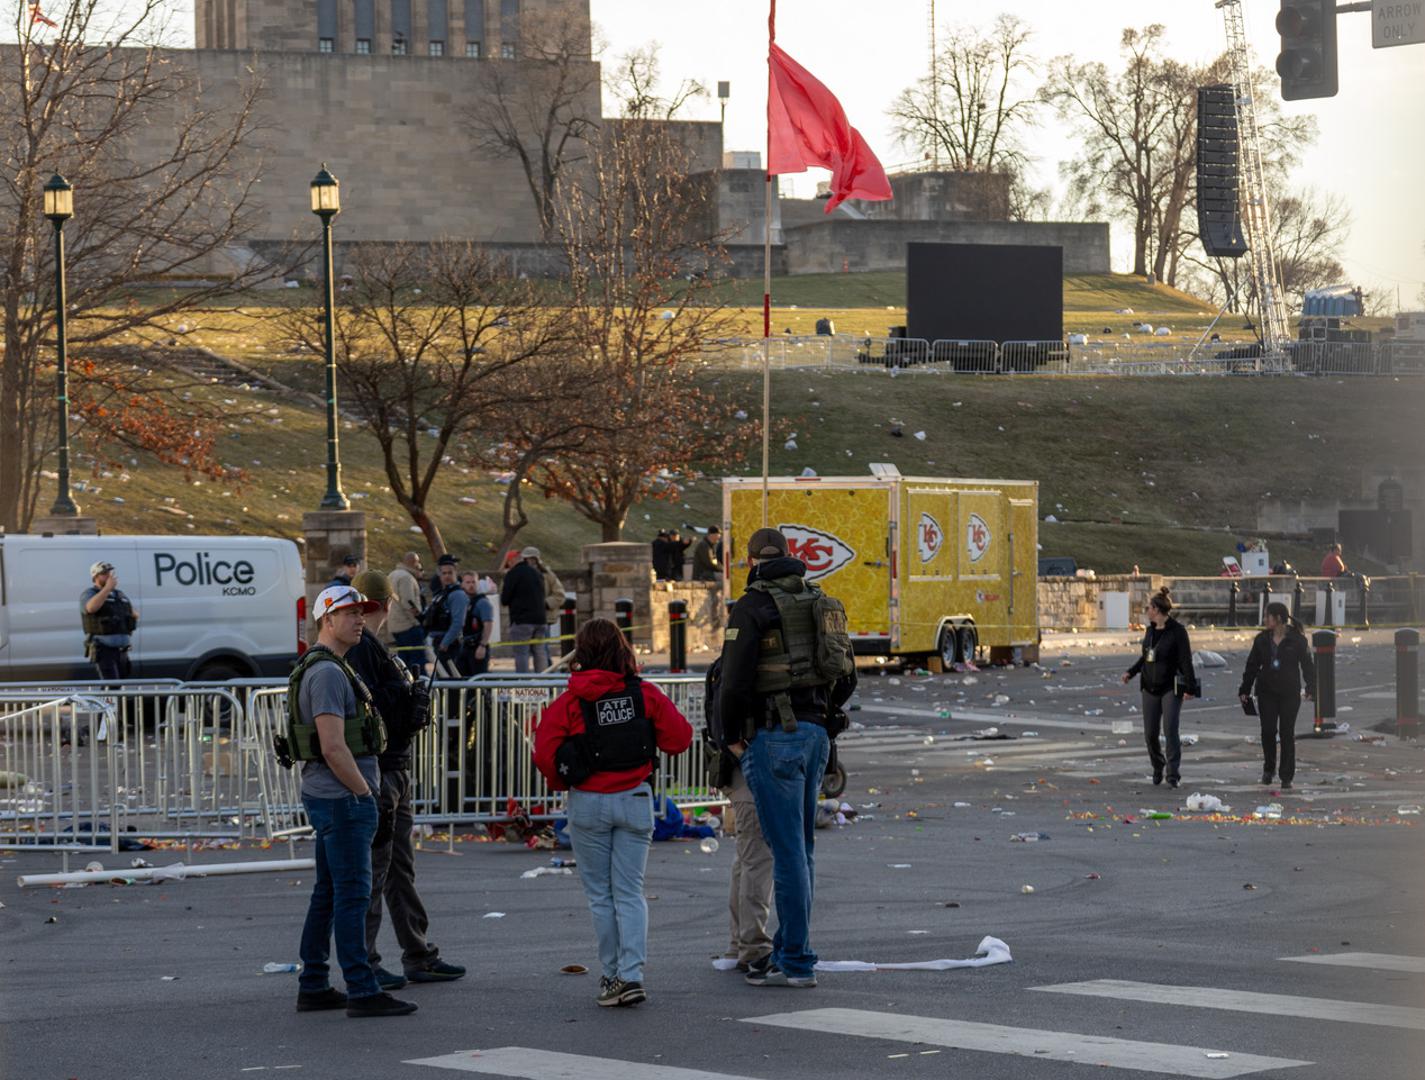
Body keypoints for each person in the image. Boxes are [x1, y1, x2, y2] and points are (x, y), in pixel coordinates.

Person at [718, 527, 857, 989]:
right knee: (803, 851)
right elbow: (847, 676)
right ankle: (791, 953)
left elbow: (733, 681)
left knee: (788, 854)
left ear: (753, 560)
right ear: (791, 555)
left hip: (774, 736)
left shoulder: (753, 605)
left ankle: (795, 960)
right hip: (817, 734)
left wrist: (730, 737)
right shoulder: (820, 600)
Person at [532, 619, 693, 1007]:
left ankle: (611, 976)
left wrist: (563, 781)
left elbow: (543, 751)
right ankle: (632, 974)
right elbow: (680, 738)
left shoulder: (571, 701)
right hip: (635, 798)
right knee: (630, 893)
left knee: (600, 896)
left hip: (588, 800)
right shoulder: (645, 694)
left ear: (581, 653)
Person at [287, 584, 417, 1017]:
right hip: (343, 799)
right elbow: (333, 746)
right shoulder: (326, 673)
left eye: (361, 612)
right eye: (349, 613)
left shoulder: (331, 666)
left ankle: (314, 983)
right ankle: (362, 988)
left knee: (328, 893)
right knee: (352, 895)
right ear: (327, 620)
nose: (360, 619)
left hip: (334, 797)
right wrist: (365, 794)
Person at [346, 571, 465, 991]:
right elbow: (373, 708)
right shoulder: (364, 651)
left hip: (392, 765)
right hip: (382, 768)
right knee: (378, 871)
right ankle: (369, 959)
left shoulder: (373, 648)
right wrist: (408, 700)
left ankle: (416, 952)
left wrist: (408, 696)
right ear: (386, 603)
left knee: (397, 869)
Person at [1121, 588, 1197, 788]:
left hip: (1170, 686)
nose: (1147, 611)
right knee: (1150, 734)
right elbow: (1146, 656)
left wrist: (1190, 686)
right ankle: (1158, 764)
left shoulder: (1178, 632)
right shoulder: (1151, 631)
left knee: (1170, 729)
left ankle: (1173, 774)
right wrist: (1132, 671)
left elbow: (1185, 660)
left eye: (1149, 608)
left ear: (1157, 609)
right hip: (1149, 685)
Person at [1239, 601, 1316, 790]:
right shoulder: (1262, 640)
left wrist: (1311, 687)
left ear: (1278, 618)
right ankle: (1269, 768)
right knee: (1268, 731)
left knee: (1287, 732)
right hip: (1266, 691)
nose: (1264, 620)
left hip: (1289, 692)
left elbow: (1307, 665)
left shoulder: (1297, 640)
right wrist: (1245, 689)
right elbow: (1252, 665)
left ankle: (1286, 775)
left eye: (1267, 616)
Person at [81, 561, 138, 681]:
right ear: (95, 577)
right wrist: (107, 588)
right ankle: (106, 700)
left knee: (120, 685)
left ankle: (111, 700)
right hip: (104, 650)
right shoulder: (90, 593)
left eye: (110, 572)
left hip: (122, 650)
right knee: (111, 685)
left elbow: (133, 612)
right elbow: (90, 608)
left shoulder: (119, 594)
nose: (109, 576)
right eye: (104, 573)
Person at [501, 546, 548, 673]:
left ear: (511, 561)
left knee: (521, 653)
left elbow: (504, 599)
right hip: (541, 620)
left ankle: (523, 685)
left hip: (522, 621)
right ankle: (544, 682)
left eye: (508, 564)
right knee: (540, 652)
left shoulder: (512, 574)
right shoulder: (537, 573)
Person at [425, 557, 468, 677]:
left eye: (450, 573)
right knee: (442, 679)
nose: (447, 576)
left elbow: (458, 623)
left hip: (449, 646)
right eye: (444, 573)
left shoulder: (457, 594)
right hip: (439, 643)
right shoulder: (442, 593)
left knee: (450, 682)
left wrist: (445, 643)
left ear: (456, 573)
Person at [387, 552, 427, 675]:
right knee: (417, 663)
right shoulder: (407, 578)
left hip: (394, 625)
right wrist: (419, 620)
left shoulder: (392, 574)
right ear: (414, 562)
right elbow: (408, 602)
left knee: (404, 664)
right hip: (409, 625)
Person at [457, 570, 495, 677]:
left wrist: (482, 645)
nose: (471, 585)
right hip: (465, 646)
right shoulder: (464, 601)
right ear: (462, 584)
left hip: (478, 646)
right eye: (468, 582)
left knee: (478, 680)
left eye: (473, 582)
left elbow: (488, 624)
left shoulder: (482, 602)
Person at [536, 553, 566, 649]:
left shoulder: (548, 575)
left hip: (544, 617)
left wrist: (544, 604)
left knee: (543, 649)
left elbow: (559, 595)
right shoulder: (519, 574)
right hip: (524, 619)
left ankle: (548, 663)